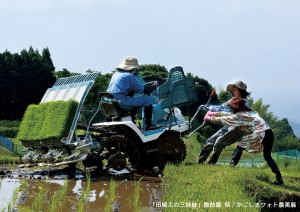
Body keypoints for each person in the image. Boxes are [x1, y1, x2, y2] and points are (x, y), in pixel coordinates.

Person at [204, 97, 284, 185]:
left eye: (231, 107)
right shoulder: (250, 112)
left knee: (240, 145)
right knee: (267, 156)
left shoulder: (240, 116)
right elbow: (228, 114)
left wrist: (210, 118)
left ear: (236, 108)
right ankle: (279, 178)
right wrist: (214, 113)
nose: (230, 109)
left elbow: (226, 119)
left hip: (261, 132)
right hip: (269, 132)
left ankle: (231, 166)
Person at [197, 81, 250, 163]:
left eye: (235, 89)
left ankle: (211, 163)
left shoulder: (243, 102)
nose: (233, 91)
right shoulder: (233, 100)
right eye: (233, 89)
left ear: (241, 90)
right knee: (211, 140)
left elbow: (228, 111)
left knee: (219, 142)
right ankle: (200, 161)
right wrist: (209, 108)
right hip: (229, 123)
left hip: (238, 127)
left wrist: (212, 110)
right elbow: (222, 107)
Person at [107, 56, 158, 130]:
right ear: (132, 68)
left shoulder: (116, 74)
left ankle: (134, 121)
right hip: (122, 101)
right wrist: (150, 87)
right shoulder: (129, 76)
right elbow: (140, 89)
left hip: (112, 100)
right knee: (149, 100)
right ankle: (148, 125)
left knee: (134, 99)